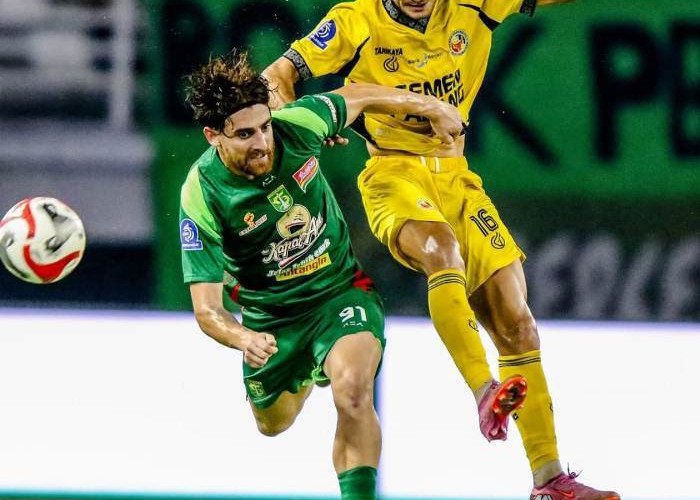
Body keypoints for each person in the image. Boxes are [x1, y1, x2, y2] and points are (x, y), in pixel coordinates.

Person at [262, 1, 620, 499]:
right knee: (441, 249)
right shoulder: (354, 20)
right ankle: (483, 391)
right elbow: (275, 76)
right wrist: (292, 124)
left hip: (457, 178)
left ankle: (549, 482)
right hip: (393, 175)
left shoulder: (476, 5)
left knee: (517, 321)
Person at [179, 50, 466, 500]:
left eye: (264, 126)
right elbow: (207, 309)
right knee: (272, 424)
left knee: (353, 392)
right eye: (245, 134)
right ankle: (312, 365)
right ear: (213, 135)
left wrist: (431, 106)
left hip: (340, 293)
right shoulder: (202, 193)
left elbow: (360, 95)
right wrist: (243, 338)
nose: (262, 142)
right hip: (271, 321)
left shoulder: (297, 124)